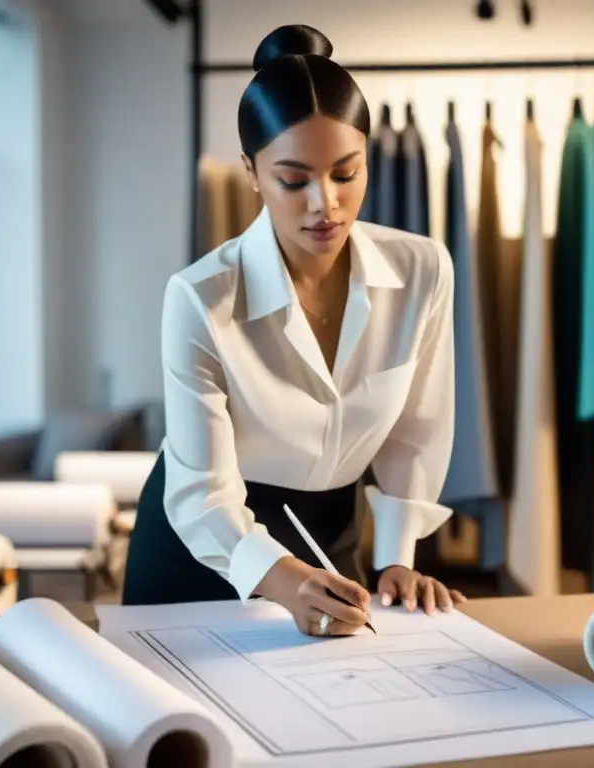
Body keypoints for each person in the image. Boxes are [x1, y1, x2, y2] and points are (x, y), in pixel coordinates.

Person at [122, 23, 465, 637]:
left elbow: (417, 431)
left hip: (332, 532)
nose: (324, 203)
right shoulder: (200, 299)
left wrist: (395, 559)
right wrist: (280, 578)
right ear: (253, 173)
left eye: (346, 172)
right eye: (294, 178)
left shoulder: (423, 271)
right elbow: (202, 493)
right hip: (203, 547)